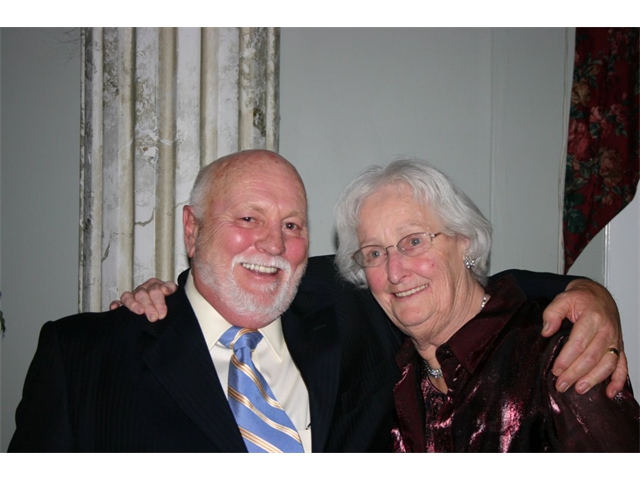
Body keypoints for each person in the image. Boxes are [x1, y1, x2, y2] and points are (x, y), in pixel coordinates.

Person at [9, 150, 625, 453]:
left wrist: (585, 292)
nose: (272, 245)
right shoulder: (82, 356)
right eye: (248, 217)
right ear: (192, 229)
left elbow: (463, 291)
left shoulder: (356, 306)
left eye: (293, 226)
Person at [331, 158, 639, 451]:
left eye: (414, 241)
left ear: (464, 239)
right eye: (373, 253)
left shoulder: (558, 356)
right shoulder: (394, 368)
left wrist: (592, 291)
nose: (394, 272)